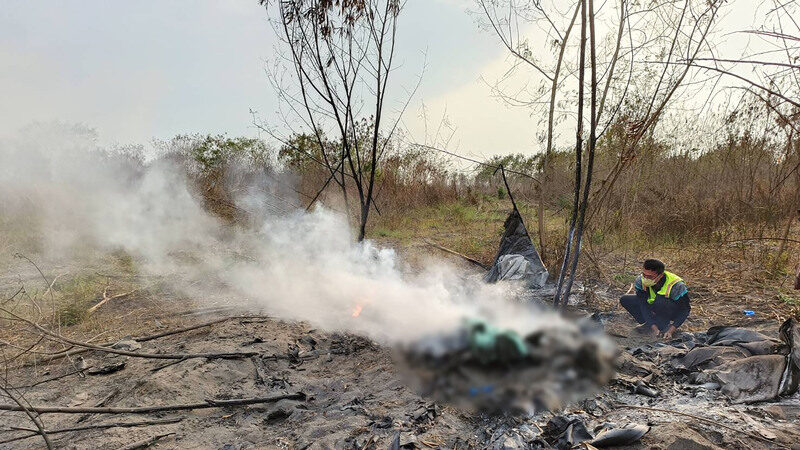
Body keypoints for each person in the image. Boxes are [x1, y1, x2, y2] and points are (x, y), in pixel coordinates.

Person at [620, 259, 690, 340]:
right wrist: (653, 327)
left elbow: (685, 310)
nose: (645, 278)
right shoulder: (640, 280)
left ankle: (663, 325)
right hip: (654, 306)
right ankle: (649, 324)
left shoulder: (677, 286)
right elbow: (643, 304)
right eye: (644, 274)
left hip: (671, 310)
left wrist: (671, 330)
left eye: (650, 277)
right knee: (625, 299)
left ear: (660, 275)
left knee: (660, 301)